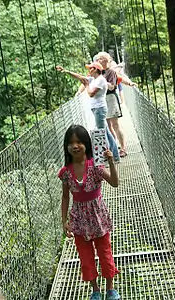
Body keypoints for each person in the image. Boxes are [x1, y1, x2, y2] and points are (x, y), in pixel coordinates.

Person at [58, 125, 121, 300]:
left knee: (105, 253)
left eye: (79, 141)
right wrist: (64, 221)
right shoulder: (65, 173)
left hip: (98, 218)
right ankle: (95, 290)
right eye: (71, 143)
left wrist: (111, 162)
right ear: (66, 146)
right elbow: (65, 197)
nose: (75, 146)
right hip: (78, 221)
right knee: (85, 258)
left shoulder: (95, 166)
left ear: (86, 143)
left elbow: (115, 183)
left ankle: (110, 288)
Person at [56, 64, 120, 162]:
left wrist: (86, 86)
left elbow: (90, 93)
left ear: (96, 69)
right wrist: (65, 71)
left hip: (99, 109)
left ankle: (107, 158)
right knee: (106, 132)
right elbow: (80, 77)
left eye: (91, 68)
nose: (89, 70)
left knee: (101, 134)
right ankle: (115, 156)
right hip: (96, 109)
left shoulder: (101, 80)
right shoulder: (93, 79)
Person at [96, 52, 136, 157]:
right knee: (108, 126)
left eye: (100, 59)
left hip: (110, 98)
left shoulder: (111, 72)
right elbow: (86, 81)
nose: (97, 60)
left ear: (106, 60)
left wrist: (101, 82)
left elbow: (112, 86)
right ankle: (114, 147)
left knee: (115, 124)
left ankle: (123, 148)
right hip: (101, 100)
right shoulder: (97, 72)